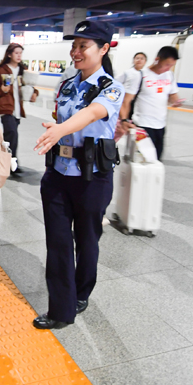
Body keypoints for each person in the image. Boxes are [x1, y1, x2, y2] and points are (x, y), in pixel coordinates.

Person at [32, 20, 124, 330]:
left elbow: (92, 114)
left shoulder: (111, 88)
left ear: (104, 49)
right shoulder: (67, 85)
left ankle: (82, 292)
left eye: (83, 46)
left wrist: (59, 129)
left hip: (92, 178)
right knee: (57, 242)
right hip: (58, 174)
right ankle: (61, 309)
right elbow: (65, 117)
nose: (76, 51)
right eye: (74, 46)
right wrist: (56, 131)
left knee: (87, 239)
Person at [117, 46, 183, 159]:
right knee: (142, 162)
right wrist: (124, 120)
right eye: (167, 64)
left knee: (156, 161)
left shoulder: (169, 75)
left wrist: (175, 101)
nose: (169, 68)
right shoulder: (140, 75)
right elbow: (126, 101)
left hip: (160, 126)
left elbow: (172, 95)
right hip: (142, 126)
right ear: (157, 59)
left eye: (172, 65)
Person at [0, 43, 27, 175]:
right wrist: (1, 89)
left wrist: (33, 93)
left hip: (18, 108)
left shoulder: (22, 70)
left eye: (20, 53)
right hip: (6, 107)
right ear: (10, 54)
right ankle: (11, 164)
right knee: (12, 134)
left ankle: (8, 162)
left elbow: (27, 86)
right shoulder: (2, 70)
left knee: (11, 136)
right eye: (16, 53)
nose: (19, 56)